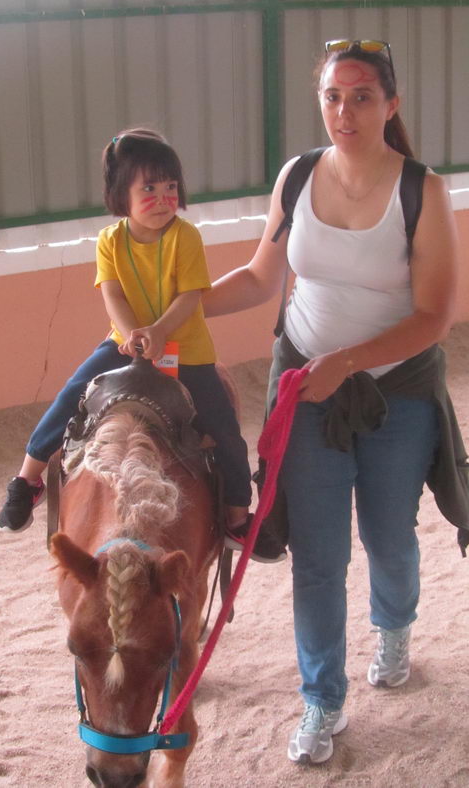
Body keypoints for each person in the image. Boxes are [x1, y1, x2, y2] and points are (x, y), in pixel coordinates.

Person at [203, 40, 465, 764]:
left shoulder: (422, 190)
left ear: (391, 104)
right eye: (330, 97)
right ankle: (322, 700)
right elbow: (261, 277)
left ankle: (394, 626)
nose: (342, 111)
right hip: (306, 393)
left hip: (395, 397)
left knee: (388, 536)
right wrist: (184, 304)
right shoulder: (295, 177)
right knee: (318, 557)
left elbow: (433, 316)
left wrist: (345, 363)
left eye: (359, 96)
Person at [0, 128, 265, 555]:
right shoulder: (109, 241)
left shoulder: (185, 236)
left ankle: (236, 516)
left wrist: (158, 332)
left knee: (225, 429)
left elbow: (191, 295)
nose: (163, 197)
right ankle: (26, 480)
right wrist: (132, 336)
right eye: (149, 188)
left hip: (187, 349)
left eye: (171, 187)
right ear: (122, 195)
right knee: (70, 395)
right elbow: (114, 294)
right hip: (123, 344)